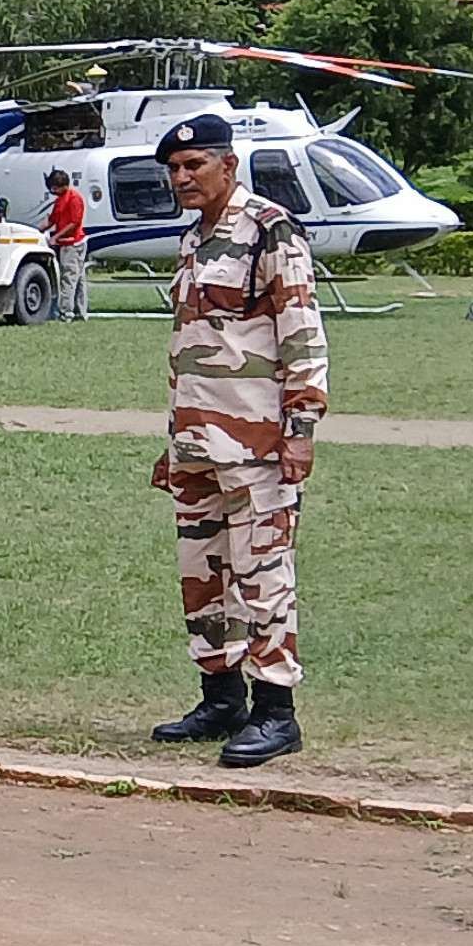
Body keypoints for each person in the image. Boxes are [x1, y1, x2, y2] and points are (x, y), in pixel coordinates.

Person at [147, 113, 328, 769]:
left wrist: (300, 429)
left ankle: (275, 710)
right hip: (197, 441)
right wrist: (176, 437)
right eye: (172, 169)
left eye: (193, 166)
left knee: (262, 572)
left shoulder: (268, 228)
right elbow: (194, 346)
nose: (180, 178)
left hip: (257, 443)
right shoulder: (194, 238)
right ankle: (219, 697)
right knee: (202, 575)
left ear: (228, 165)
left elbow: (301, 334)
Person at [44, 168, 90, 322]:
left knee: (69, 278)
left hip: (73, 244)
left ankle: (66, 312)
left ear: (62, 185)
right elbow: (52, 220)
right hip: (65, 243)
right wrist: (36, 231)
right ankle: (80, 311)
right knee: (78, 278)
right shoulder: (59, 200)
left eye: (54, 187)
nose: (52, 190)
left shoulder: (74, 198)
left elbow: (74, 223)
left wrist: (56, 237)